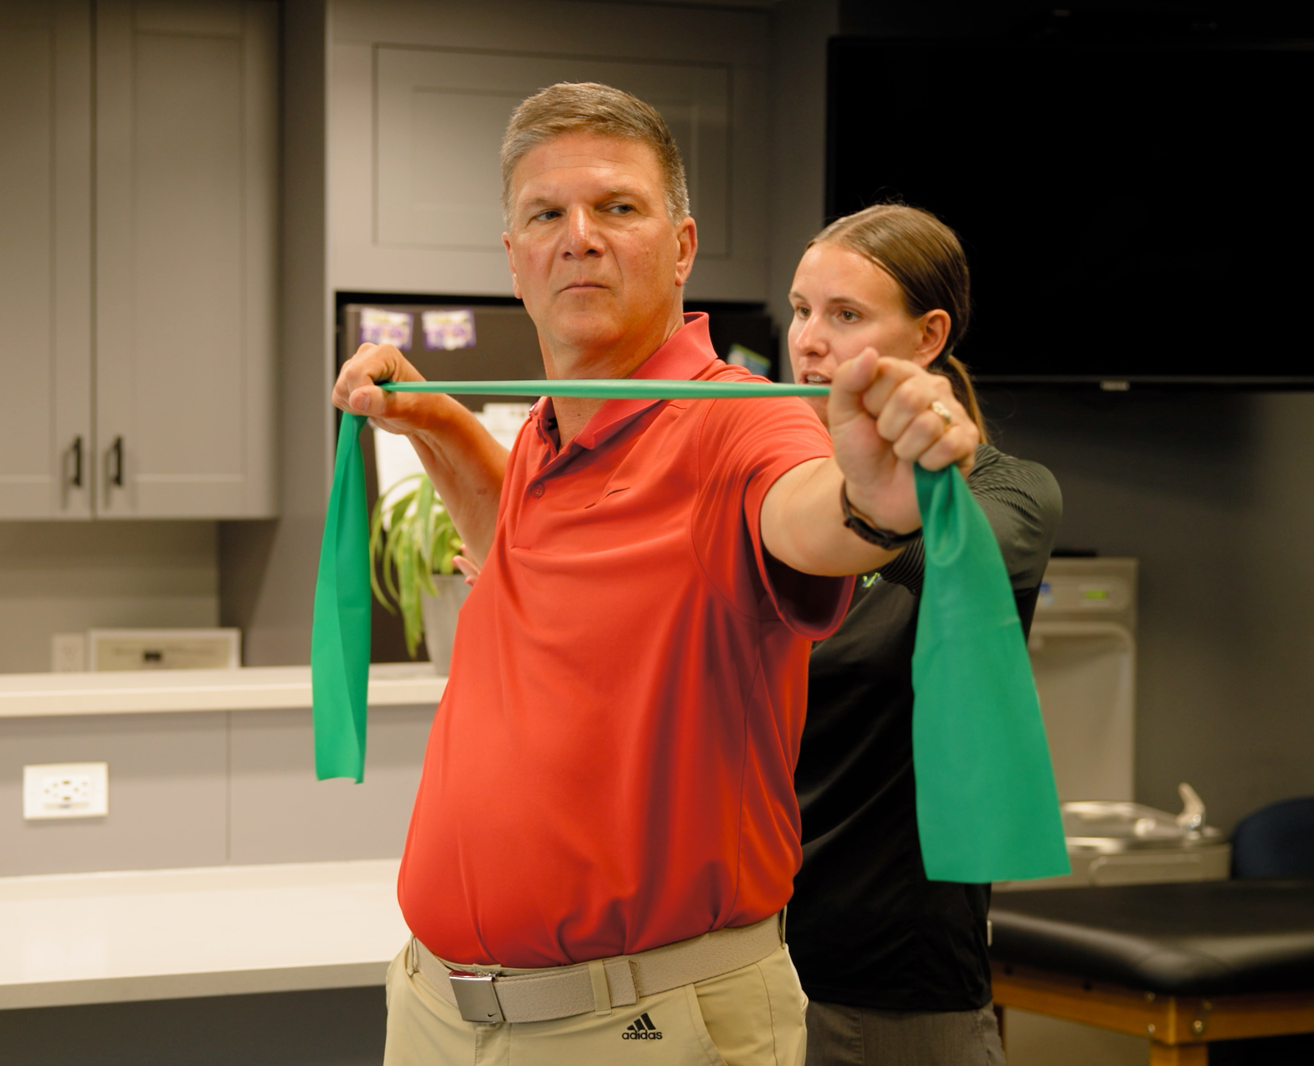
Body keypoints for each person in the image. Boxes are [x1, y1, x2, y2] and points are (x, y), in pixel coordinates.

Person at [330, 83, 980, 1065]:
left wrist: (874, 499)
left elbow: (808, 514)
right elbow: (525, 553)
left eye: (617, 208)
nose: (579, 236)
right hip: (438, 1012)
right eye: (546, 214)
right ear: (514, 256)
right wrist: (434, 423)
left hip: (635, 1026)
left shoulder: (739, 421)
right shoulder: (554, 431)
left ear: (681, 245)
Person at [783, 203, 1062, 1066]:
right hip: (742, 959)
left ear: (929, 334)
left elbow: (956, 561)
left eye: (846, 315)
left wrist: (882, 500)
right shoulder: (781, 490)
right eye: (800, 310)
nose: (809, 340)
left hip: (888, 977)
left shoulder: (1008, 496)